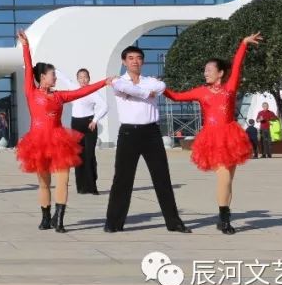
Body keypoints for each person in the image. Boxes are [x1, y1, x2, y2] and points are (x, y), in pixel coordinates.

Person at [165, 32, 262, 235]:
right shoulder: (201, 91)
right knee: (224, 177)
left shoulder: (230, 88)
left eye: (209, 70)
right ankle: (224, 219)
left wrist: (243, 43)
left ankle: (223, 218)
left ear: (220, 73)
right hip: (212, 138)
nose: (205, 73)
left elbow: (237, 66)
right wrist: (159, 88)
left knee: (229, 180)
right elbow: (175, 96)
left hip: (231, 137)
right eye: (205, 70)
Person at [15, 32, 110, 232]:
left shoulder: (60, 96)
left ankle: (59, 219)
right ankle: (45, 216)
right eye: (52, 74)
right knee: (44, 183)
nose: (55, 77)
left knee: (63, 180)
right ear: (42, 77)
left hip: (59, 141)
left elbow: (81, 91)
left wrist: (104, 82)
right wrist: (26, 46)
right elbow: (27, 68)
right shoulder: (31, 91)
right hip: (38, 142)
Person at [103, 44, 190, 234]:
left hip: (152, 133)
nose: (135, 61)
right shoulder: (119, 81)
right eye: (131, 58)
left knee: (162, 178)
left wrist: (137, 90)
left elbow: (161, 86)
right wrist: (144, 93)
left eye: (138, 58)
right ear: (124, 61)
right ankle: (113, 222)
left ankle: (174, 222)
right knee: (122, 179)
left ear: (143, 61)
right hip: (128, 133)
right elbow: (122, 86)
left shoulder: (150, 81)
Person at [69, 68, 107, 195]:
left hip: (89, 125)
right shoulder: (74, 89)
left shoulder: (93, 92)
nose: (83, 79)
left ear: (89, 78)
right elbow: (63, 78)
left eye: (85, 77)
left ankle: (92, 186)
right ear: (77, 79)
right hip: (76, 124)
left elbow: (105, 106)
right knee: (78, 156)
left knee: (89, 155)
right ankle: (81, 187)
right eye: (80, 77)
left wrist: (95, 120)